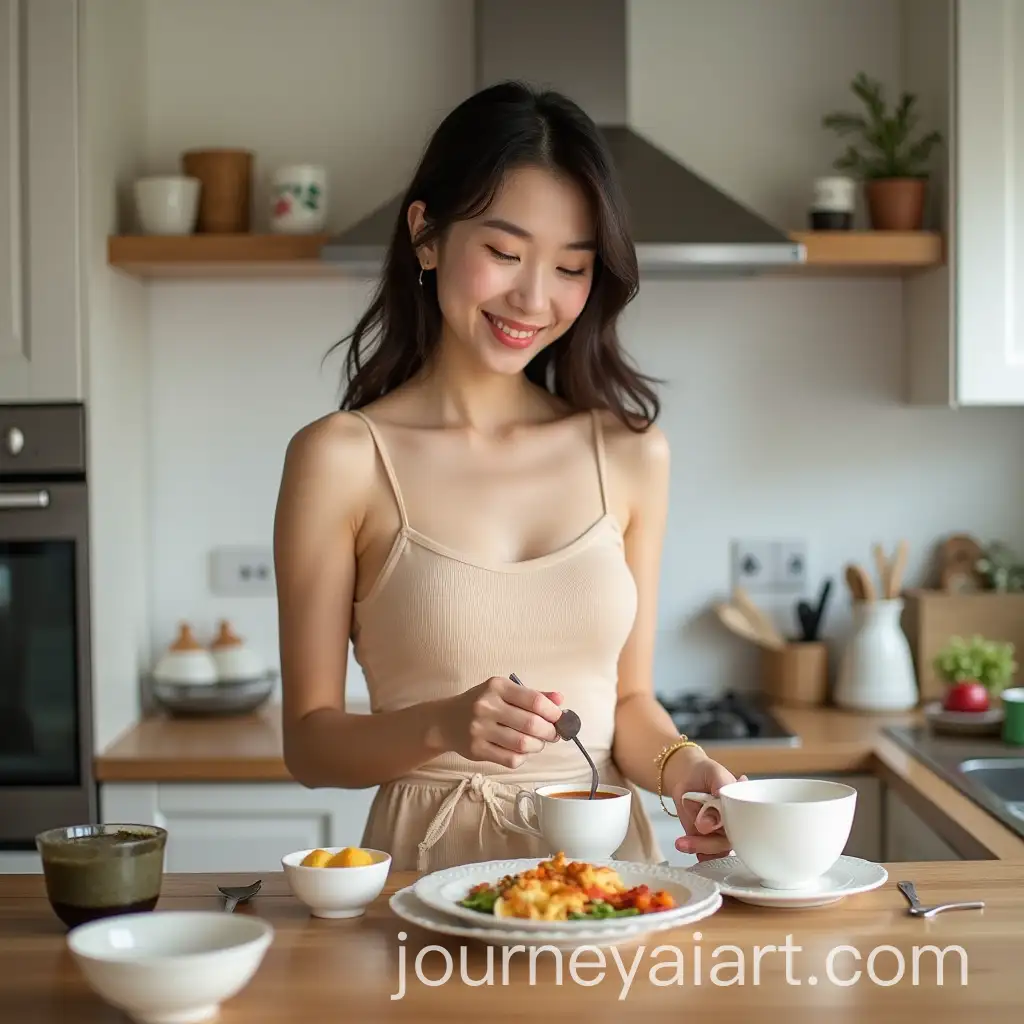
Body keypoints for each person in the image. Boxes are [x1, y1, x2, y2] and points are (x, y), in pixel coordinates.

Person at [273, 80, 743, 873]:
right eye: (504, 252)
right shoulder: (340, 458)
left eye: (572, 266)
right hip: (428, 879)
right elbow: (311, 743)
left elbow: (627, 706)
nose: (535, 296)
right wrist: (442, 726)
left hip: (606, 880)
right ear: (426, 233)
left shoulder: (631, 454)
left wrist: (686, 770)